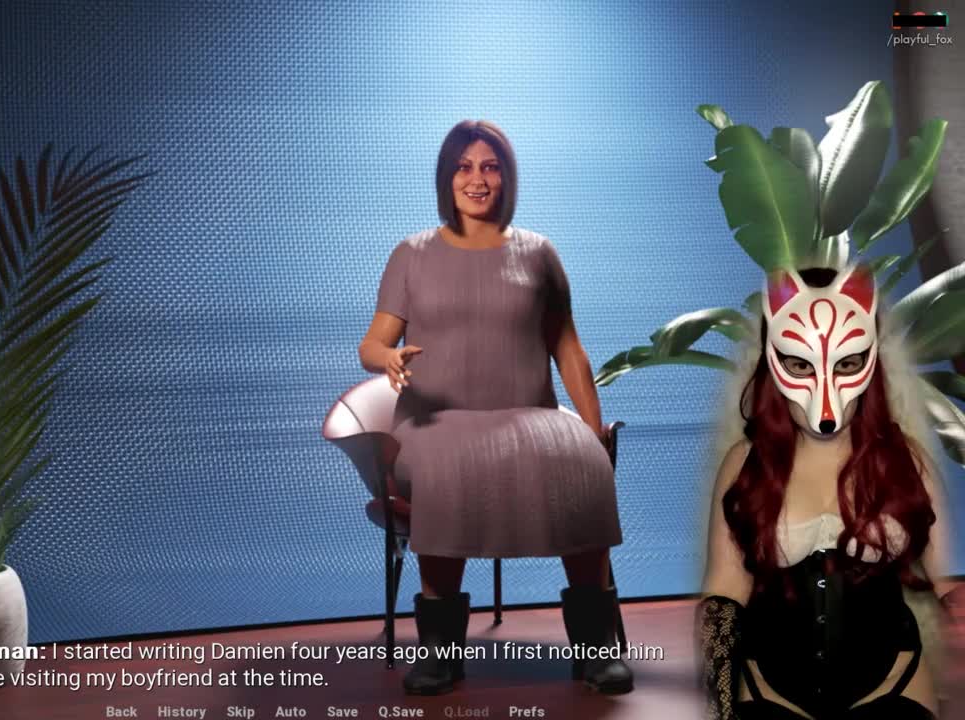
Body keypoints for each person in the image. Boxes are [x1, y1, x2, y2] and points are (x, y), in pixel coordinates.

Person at [357, 120, 632, 696]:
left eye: (490, 166)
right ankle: (439, 655)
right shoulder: (411, 254)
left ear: (507, 178)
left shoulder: (540, 254)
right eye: (464, 167)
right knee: (446, 466)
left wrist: (593, 430)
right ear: (446, 178)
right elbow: (371, 344)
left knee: (584, 462)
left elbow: (569, 350)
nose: (476, 179)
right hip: (436, 421)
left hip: (530, 415)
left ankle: (596, 649)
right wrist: (388, 358)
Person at [698, 265, 953, 719]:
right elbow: (724, 593)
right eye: (800, 364)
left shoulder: (906, 462)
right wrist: (719, 706)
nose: (826, 404)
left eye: (847, 363)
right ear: (773, 361)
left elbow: (950, 584)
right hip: (769, 695)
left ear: (869, 359)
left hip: (893, 689)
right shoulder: (745, 465)